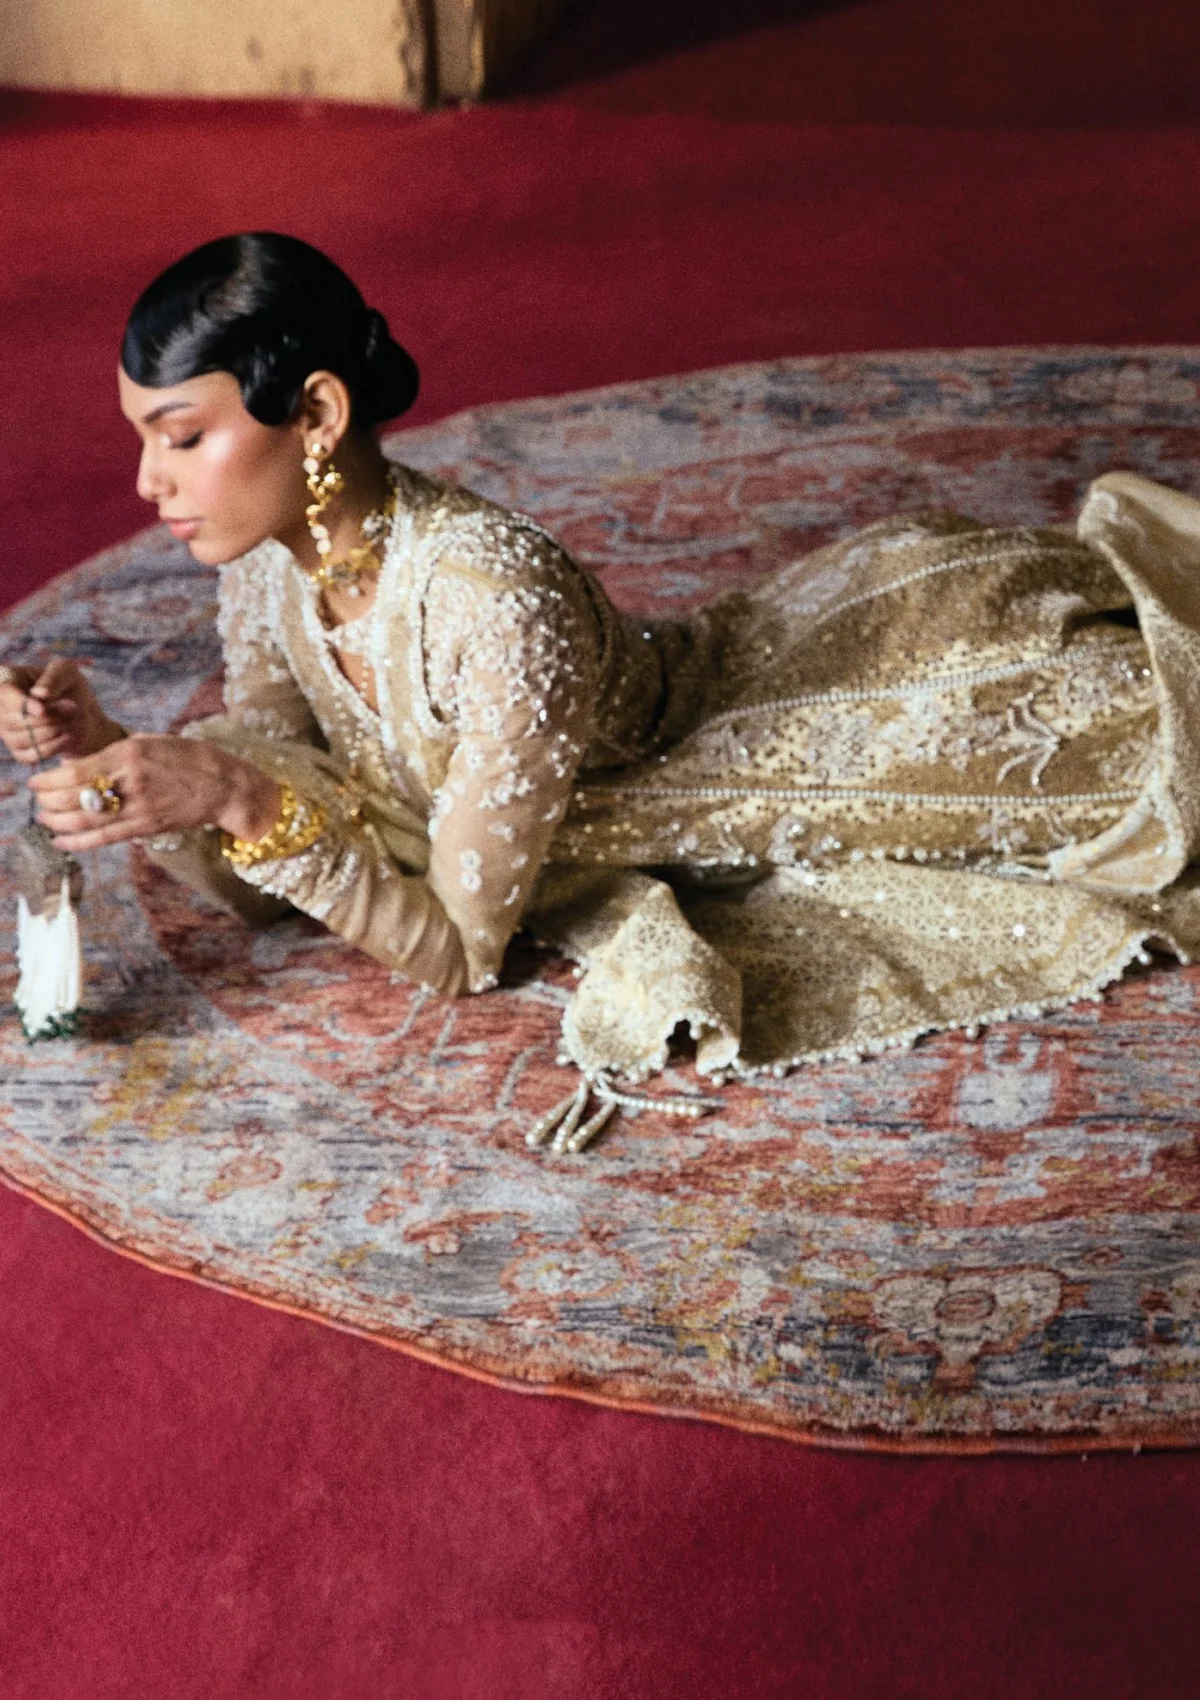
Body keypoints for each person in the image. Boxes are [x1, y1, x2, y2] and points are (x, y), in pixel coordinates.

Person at [5, 231, 1200, 1125]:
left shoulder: (493, 598)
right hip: (706, 695)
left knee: (1149, 742)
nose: (149, 483)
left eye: (181, 436)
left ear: (315, 413)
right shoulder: (274, 565)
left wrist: (232, 794)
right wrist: (110, 747)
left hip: (859, 716)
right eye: (143, 437)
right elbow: (286, 808)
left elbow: (460, 949)